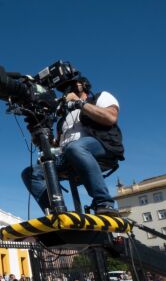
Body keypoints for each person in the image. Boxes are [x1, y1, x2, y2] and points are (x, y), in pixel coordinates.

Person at [21, 77, 123, 216]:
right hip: (69, 154)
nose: (67, 89)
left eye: (71, 84)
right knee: (31, 173)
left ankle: (104, 202)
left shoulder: (100, 97)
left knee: (75, 148)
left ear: (84, 85)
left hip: (101, 146)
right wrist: (39, 134)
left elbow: (110, 117)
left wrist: (79, 103)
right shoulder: (63, 118)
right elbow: (57, 144)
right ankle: (56, 211)